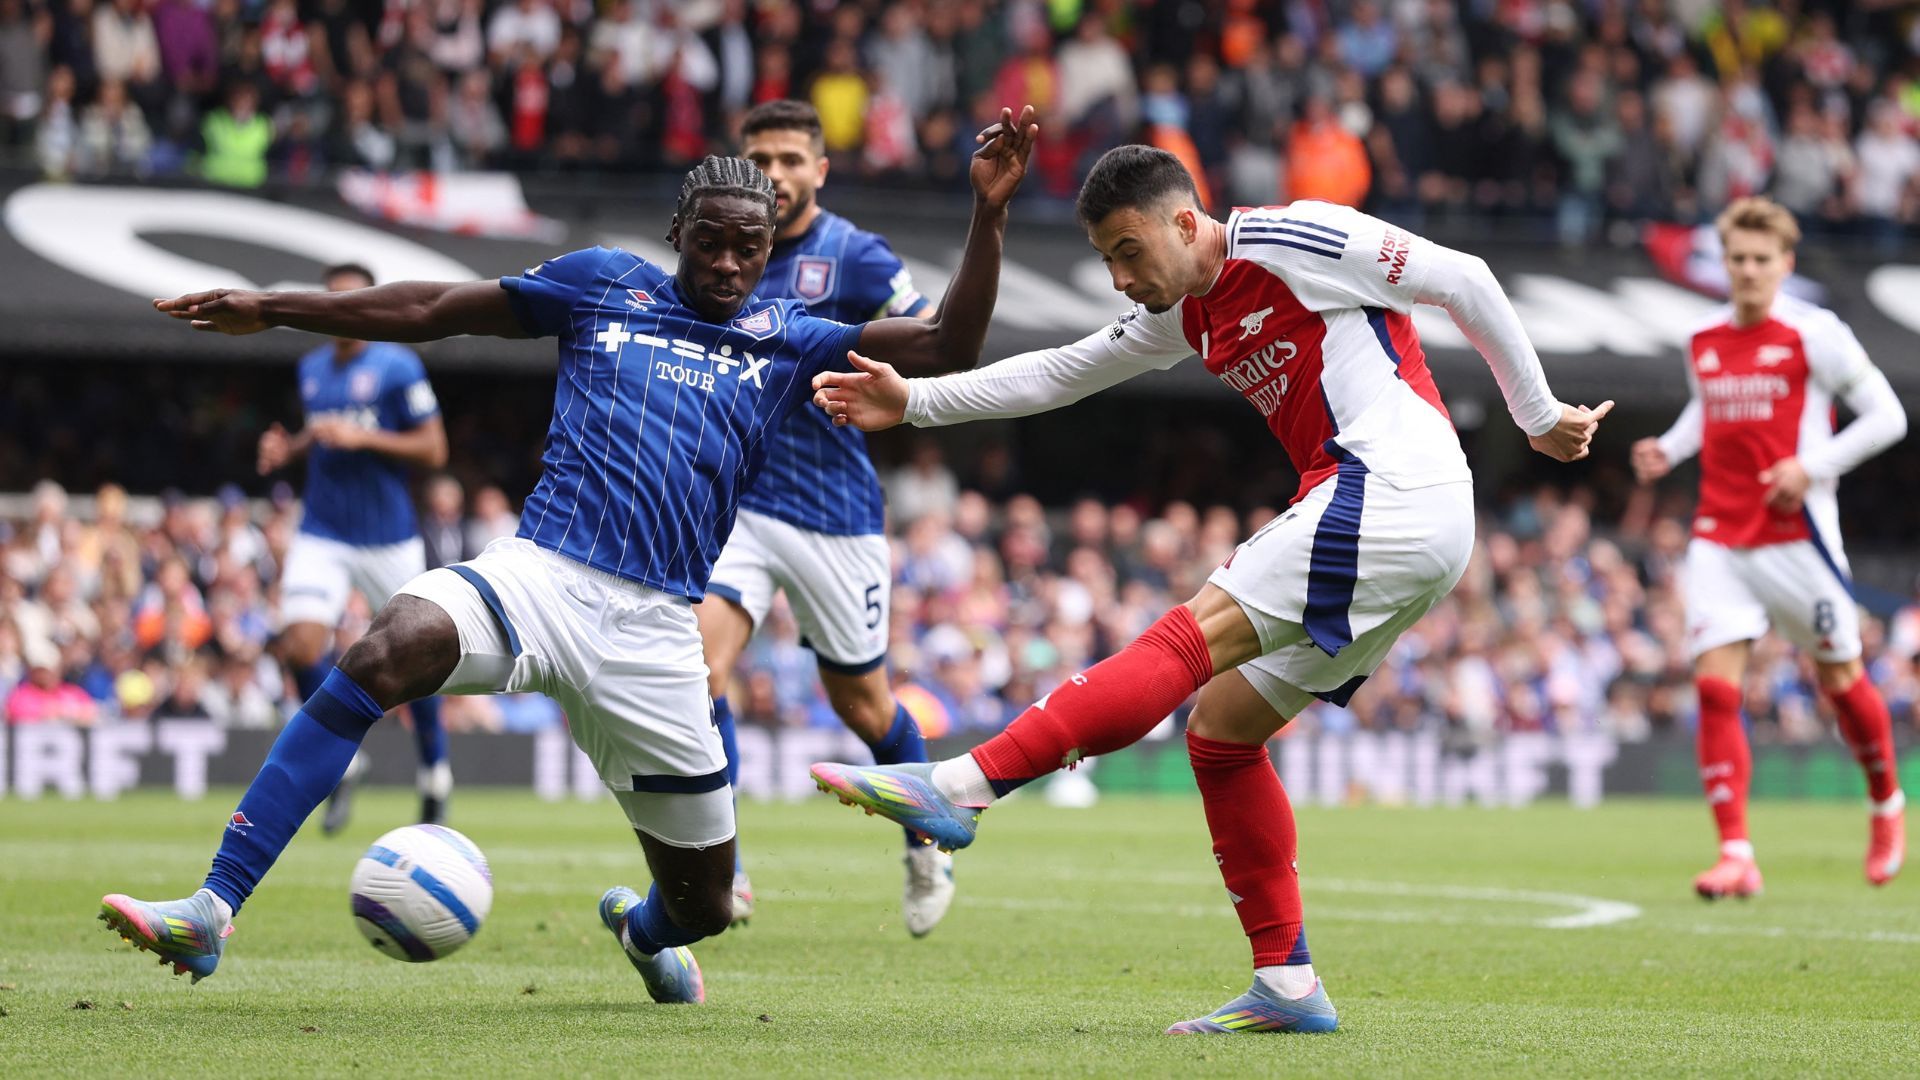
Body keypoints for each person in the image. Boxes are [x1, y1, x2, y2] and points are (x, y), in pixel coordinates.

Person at [97, 107, 1038, 1004]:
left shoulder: (788, 341)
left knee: (704, 906)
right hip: (539, 577)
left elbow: (949, 343)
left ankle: (644, 936)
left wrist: (988, 213)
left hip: (656, 635)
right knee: (385, 647)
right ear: (678, 229)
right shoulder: (601, 284)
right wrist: (277, 307)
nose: (725, 261)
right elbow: (434, 304)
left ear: (768, 252)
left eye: (747, 248)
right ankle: (212, 909)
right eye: (708, 238)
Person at [807, 144, 1609, 1035]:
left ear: (1185, 224)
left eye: (1128, 250)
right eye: (1107, 258)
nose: (1118, 277)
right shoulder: (1185, 311)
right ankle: (1289, 986)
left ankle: (962, 786)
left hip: (1389, 486)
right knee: (1223, 733)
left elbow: (1466, 278)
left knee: (1184, 641)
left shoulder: (1293, 236)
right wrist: (914, 402)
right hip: (1402, 516)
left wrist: (1537, 417)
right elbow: (1059, 371)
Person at [702, 99, 950, 934]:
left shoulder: (854, 254)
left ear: (818, 170)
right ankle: (720, 871)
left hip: (835, 515)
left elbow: (931, 336)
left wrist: (888, 388)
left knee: (866, 710)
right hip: (737, 507)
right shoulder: (719, 252)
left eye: (788, 160)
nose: (772, 174)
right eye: (758, 158)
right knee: (697, 678)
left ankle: (925, 839)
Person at [1632, 197, 1907, 898]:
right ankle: (1736, 853)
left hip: (1797, 538)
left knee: (1841, 683)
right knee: (1715, 686)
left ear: (1786, 264)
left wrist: (1812, 467)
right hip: (1720, 534)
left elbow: (1889, 418)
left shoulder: (1817, 335)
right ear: (1723, 264)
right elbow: (1709, 409)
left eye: (1762, 260)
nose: (1749, 271)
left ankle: (1886, 805)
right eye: (1738, 259)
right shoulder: (1704, 340)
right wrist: (1668, 447)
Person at [256, 262, 454, 833]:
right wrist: (286, 450)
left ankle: (435, 774)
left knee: (421, 660)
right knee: (299, 646)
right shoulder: (312, 368)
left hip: (388, 536)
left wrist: (363, 435)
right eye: (333, 300)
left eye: (352, 299)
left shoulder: (397, 364)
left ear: (371, 303)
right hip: (323, 530)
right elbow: (321, 436)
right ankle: (344, 762)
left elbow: (434, 449)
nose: (342, 310)